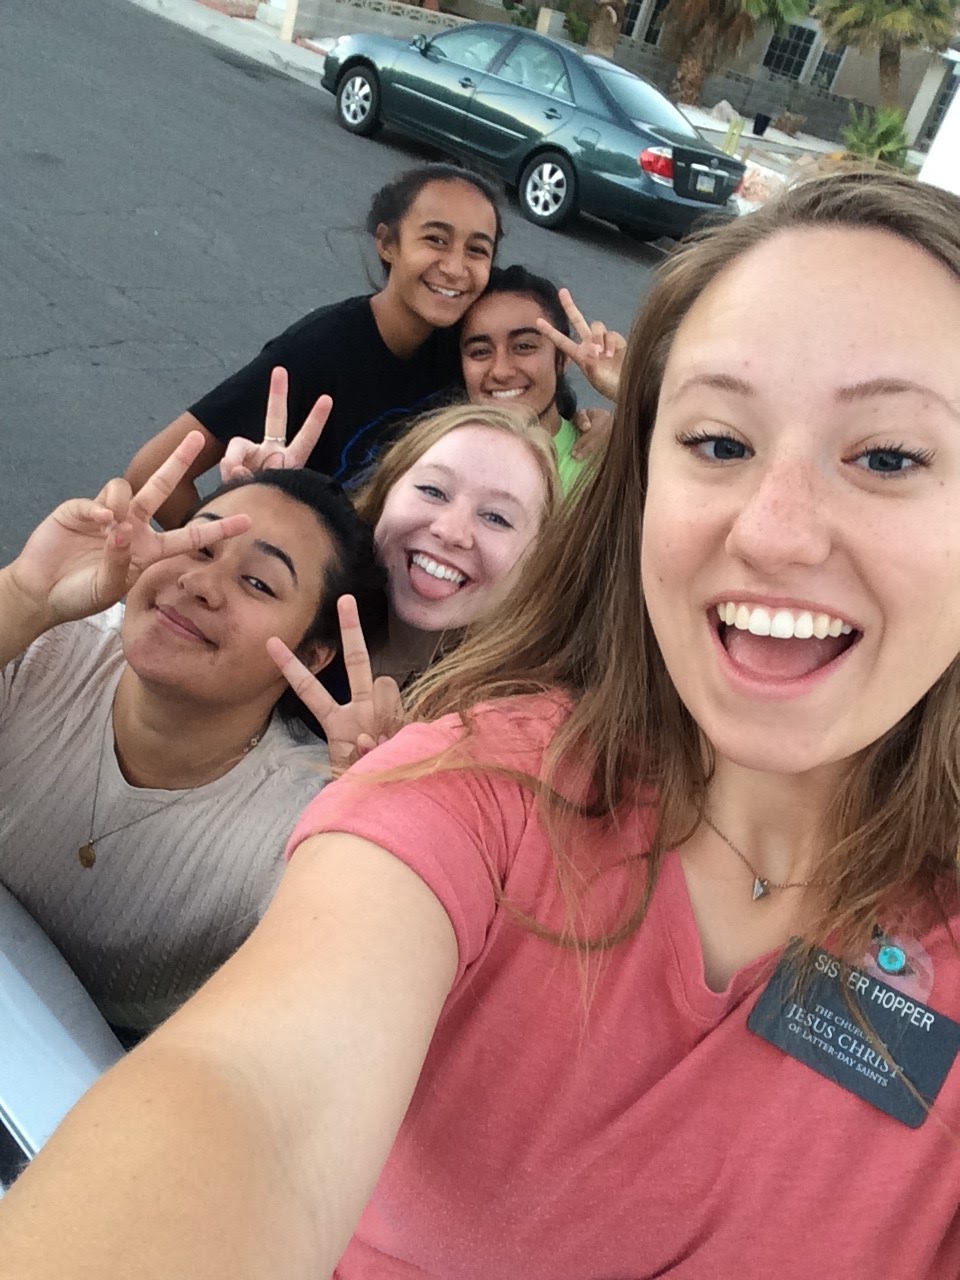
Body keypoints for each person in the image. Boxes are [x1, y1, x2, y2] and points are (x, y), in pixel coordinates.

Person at [6, 171, 960, 1279]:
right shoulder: (470, 785)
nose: (777, 533)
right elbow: (253, 1098)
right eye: (716, 441)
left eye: (889, 455)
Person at [0, 434, 385, 1038]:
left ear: (313, 654)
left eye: (259, 583)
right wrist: (22, 596)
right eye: (199, 546)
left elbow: (319, 1017)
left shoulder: (304, 816)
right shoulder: (50, 643)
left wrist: (370, 833)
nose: (202, 584)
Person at [124, 163, 503, 528]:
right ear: (387, 243)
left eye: (477, 249)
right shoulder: (320, 349)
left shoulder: (474, 345)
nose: (455, 267)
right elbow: (152, 472)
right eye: (435, 240)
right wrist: (223, 555)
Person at [270, 401, 561, 776]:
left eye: (496, 517)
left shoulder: (521, 729)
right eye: (433, 491)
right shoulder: (302, 597)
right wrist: (257, 520)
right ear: (385, 492)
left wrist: (377, 785)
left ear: (537, 561)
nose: (450, 531)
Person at [459, 264, 626, 493]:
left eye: (524, 346)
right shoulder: (433, 453)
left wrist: (631, 392)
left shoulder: (607, 467)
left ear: (563, 356)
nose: (501, 371)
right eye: (480, 351)